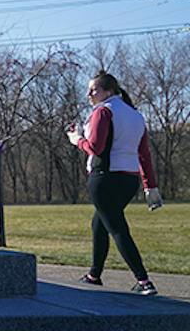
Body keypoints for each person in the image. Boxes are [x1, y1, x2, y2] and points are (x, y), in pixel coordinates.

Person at [66, 70, 163, 295]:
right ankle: (94, 275)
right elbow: (144, 155)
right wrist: (150, 186)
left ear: (108, 91)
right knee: (99, 223)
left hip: (105, 179)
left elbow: (95, 148)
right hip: (129, 181)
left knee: (118, 229)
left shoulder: (103, 112)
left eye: (94, 90)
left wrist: (77, 139)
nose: (89, 94)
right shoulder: (135, 115)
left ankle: (144, 281)